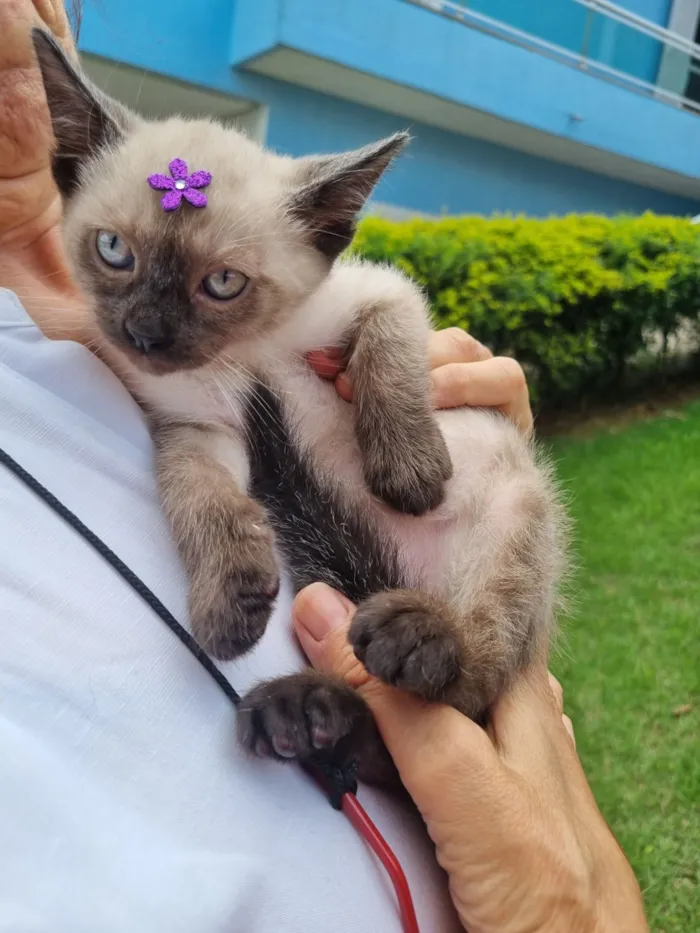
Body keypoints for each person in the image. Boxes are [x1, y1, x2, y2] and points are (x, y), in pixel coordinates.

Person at [0, 2, 648, 931]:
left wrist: (403, 420)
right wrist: (221, 537)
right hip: (375, 646)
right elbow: (198, 443)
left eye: (218, 286)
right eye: (116, 257)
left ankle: (445, 669)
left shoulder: (283, 271)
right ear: (78, 178)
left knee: (510, 493)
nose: (146, 326)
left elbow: (383, 306)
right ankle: (372, 717)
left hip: (443, 582)